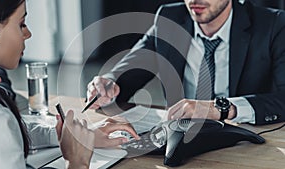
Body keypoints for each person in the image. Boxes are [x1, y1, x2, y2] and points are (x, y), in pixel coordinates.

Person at [0, 0, 139, 169]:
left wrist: (69, 135)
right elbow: (0, 128)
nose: (28, 33)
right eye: (22, 24)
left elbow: (7, 133)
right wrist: (77, 162)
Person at [86, 0, 285, 125]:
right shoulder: (168, 17)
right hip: (182, 138)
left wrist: (220, 109)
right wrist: (109, 83)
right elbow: (133, 66)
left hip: (247, 139)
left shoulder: (273, 24)